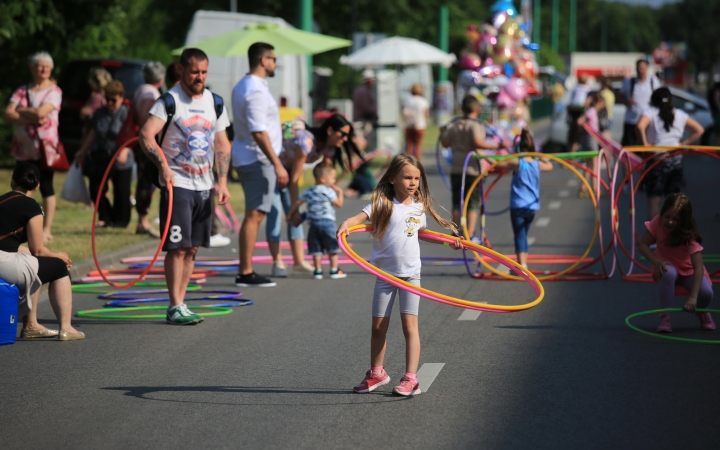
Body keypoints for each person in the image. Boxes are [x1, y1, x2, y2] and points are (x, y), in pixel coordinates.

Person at [337, 154, 460, 396]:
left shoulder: (419, 206)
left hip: (411, 275)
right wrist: (346, 225)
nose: (413, 182)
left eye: (417, 178)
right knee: (378, 327)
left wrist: (450, 242)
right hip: (385, 275)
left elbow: (420, 233)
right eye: (407, 177)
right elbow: (357, 219)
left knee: (409, 326)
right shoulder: (381, 203)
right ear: (392, 178)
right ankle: (377, 373)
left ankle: (411, 378)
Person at [139, 48, 232, 325]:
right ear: (182, 70)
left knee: (192, 248)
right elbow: (146, 135)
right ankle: (174, 303)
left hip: (204, 185)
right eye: (194, 72)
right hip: (176, 183)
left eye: (204, 72)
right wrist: (162, 166)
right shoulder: (168, 101)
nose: (199, 77)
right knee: (177, 247)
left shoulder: (214, 102)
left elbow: (222, 142)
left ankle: (181, 301)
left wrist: (223, 180)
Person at [0, 163, 84, 341]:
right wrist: (58, 257)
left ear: (12, 181)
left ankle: (31, 325)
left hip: (4, 256)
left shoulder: (2, 201)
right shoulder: (31, 207)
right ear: (37, 185)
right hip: (3, 263)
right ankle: (67, 328)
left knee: (34, 263)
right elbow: (37, 249)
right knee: (59, 268)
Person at [231, 42, 287, 287]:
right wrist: (277, 163)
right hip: (258, 159)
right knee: (255, 214)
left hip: (251, 157)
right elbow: (257, 130)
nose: (276, 63)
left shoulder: (246, 85)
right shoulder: (254, 89)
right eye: (273, 59)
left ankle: (246, 269)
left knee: (256, 213)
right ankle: (245, 271)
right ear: (263, 60)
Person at [3, 51, 61, 243]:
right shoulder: (22, 90)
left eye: (46, 65)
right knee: (20, 187)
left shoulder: (54, 91)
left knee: (46, 186)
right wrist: (33, 114)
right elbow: (7, 114)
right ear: (32, 68)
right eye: (39, 65)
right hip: (23, 147)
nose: (43, 69)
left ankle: (46, 229)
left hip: (45, 148)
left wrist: (21, 110)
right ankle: (22, 225)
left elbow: (42, 113)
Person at [637, 194, 714, 333]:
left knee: (707, 293)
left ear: (683, 221)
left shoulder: (690, 235)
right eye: (667, 217)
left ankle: (702, 311)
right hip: (666, 265)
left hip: (689, 271)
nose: (670, 222)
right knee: (667, 272)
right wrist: (657, 261)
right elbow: (643, 245)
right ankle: (665, 315)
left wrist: (693, 298)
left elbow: (698, 268)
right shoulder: (657, 222)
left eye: (675, 219)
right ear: (662, 214)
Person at [440, 95, 506, 244]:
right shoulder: (475, 125)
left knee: (457, 201)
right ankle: (469, 234)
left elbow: (445, 143)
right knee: (473, 202)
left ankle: (455, 233)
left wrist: (442, 132)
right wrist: (498, 146)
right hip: (472, 169)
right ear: (478, 109)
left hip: (456, 168)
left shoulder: (455, 124)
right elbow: (477, 144)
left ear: (462, 109)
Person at [636, 87, 704, 220]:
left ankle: (655, 238)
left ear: (653, 100)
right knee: (673, 202)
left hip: (656, 159)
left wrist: (645, 145)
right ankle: (671, 237)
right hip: (675, 159)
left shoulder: (650, 112)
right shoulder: (679, 114)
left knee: (654, 202)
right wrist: (683, 144)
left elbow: (639, 126)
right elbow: (699, 129)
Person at [75, 80, 134, 228]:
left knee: (121, 190)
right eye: (107, 99)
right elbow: (94, 133)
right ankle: (106, 216)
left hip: (122, 155)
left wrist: (125, 151)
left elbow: (131, 134)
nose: (110, 103)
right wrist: (82, 151)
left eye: (113, 100)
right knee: (96, 187)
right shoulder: (100, 113)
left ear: (121, 97)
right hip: (102, 155)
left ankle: (121, 221)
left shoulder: (126, 113)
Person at [494, 129, 553, 268]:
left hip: (518, 205)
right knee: (523, 234)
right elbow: (550, 165)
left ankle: (523, 265)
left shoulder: (517, 163)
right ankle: (522, 263)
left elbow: (497, 164)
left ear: (517, 148)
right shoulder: (536, 163)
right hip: (532, 206)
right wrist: (540, 155)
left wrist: (482, 157)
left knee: (520, 235)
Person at [287, 163, 346, 280]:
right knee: (332, 247)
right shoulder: (328, 191)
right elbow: (338, 204)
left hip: (313, 224)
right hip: (327, 223)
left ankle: (318, 270)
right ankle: (334, 269)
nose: (334, 180)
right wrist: (340, 193)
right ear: (323, 178)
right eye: (332, 178)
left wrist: (290, 214)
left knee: (316, 248)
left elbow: (298, 202)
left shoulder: (308, 191)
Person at [620, 59, 662, 146]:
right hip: (631, 121)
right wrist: (626, 101)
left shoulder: (653, 82)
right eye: (638, 68)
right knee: (629, 149)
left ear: (647, 68)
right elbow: (618, 96)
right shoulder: (629, 81)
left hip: (647, 123)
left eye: (642, 68)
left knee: (645, 149)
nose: (640, 70)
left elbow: (660, 98)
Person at [576, 92, 605, 198]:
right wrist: (585, 126)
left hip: (589, 139)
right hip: (590, 140)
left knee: (589, 165)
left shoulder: (592, 111)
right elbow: (580, 120)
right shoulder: (592, 110)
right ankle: (595, 189)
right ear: (600, 102)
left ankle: (583, 188)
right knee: (595, 165)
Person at [402, 83, 430, 159]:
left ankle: (407, 162)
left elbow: (403, 112)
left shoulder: (407, 100)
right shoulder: (423, 101)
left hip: (409, 124)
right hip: (420, 125)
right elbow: (426, 114)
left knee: (409, 144)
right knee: (418, 145)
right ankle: (417, 162)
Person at [567, 74, 591, 153]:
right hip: (577, 112)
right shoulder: (585, 88)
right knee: (574, 137)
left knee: (575, 137)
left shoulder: (579, 88)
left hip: (578, 112)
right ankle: (573, 153)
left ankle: (573, 152)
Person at [353, 69, 377, 146]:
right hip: (363, 120)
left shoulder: (361, 90)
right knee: (362, 142)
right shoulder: (364, 91)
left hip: (362, 119)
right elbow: (366, 107)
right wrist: (374, 114)